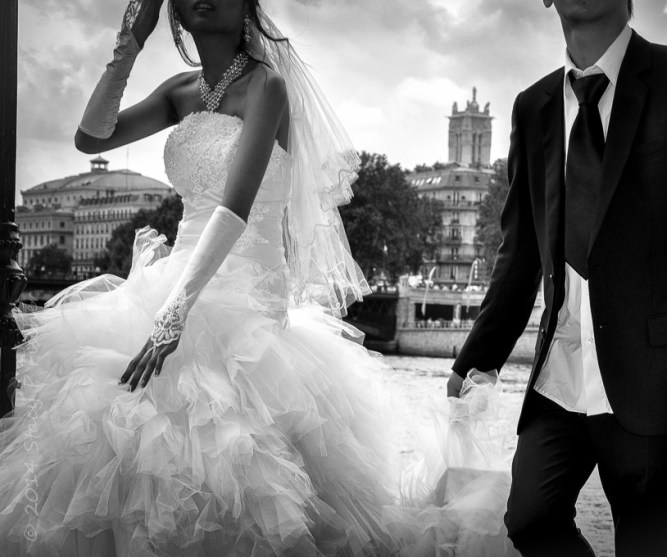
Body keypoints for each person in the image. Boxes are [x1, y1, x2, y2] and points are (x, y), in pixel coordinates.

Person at [0, 1, 517, 555]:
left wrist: (172, 316)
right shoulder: (181, 90)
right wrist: (129, 44)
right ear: (173, 13)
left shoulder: (265, 85)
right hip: (180, 275)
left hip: (245, 293)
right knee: (122, 439)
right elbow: (90, 138)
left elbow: (233, 209)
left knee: (221, 450)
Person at [446, 1, 667, 556]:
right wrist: (477, 357)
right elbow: (520, 254)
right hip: (561, 374)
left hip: (658, 374)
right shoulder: (532, 106)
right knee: (530, 518)